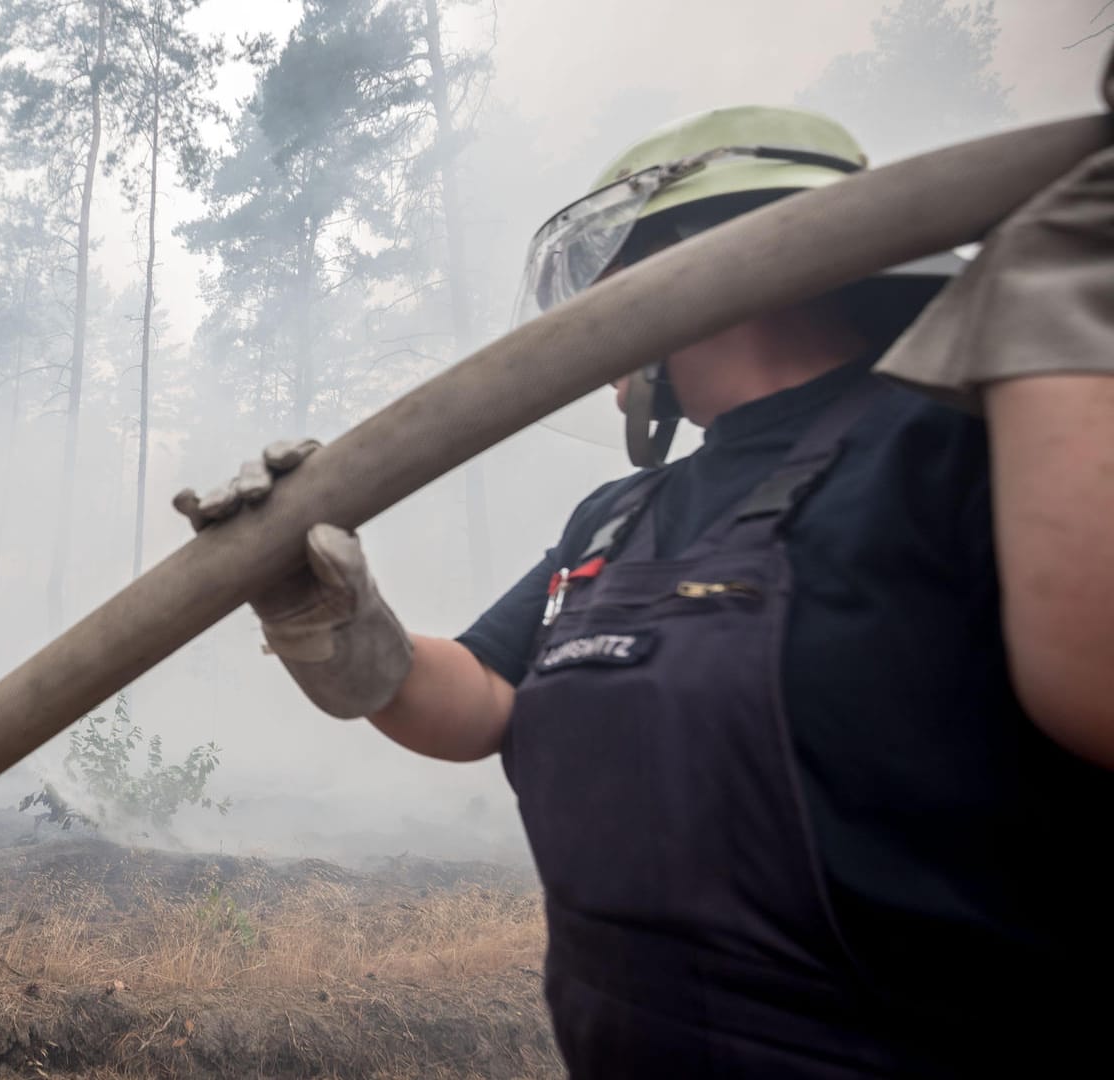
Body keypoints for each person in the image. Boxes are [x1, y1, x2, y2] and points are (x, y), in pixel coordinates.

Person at [179, 103, 1114, 1076]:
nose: (594, 336)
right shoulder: (621, 517)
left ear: (705, 262)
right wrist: (331, 618)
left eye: (608, 284)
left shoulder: (957, 449)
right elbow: (483, 701)